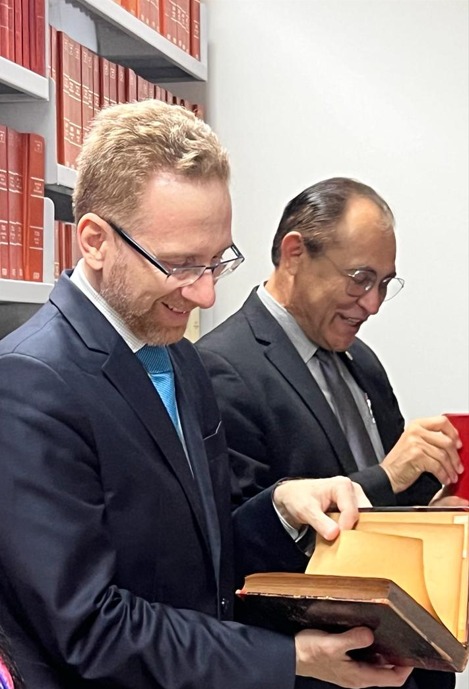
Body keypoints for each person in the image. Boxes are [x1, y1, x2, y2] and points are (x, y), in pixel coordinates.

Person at [0, 103, 413, 689]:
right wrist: (286, 660)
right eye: (179, 264)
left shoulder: (179, 359)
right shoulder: (29, 382)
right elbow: (87, 627)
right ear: (94, 240)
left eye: (217, 260)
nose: (202, 293)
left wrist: (278, 508)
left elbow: (199, 565)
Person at [197, 177, 465, 689]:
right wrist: (386, 476)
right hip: (320, 675)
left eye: (386, 283)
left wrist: (437, 514)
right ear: (294, 253)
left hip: (405, 662)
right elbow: (239, 553)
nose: (374, 304)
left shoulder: (360, 359)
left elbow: (389, 509)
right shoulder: (220, 366)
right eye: (361, 278)